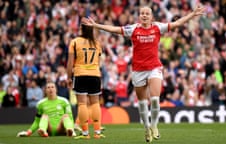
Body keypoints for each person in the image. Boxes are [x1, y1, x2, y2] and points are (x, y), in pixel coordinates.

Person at [82, 5, 205, 142]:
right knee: (142, 103)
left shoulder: (158, 27)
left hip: (154, 67)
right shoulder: (133, 29)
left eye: (147, 13)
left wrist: (192, 14)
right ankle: (146, 128)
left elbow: (177, 23)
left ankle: (154, 126)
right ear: (139, 16)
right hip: (138, 70)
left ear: (151, 16)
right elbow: (115, 29)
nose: (145, 15)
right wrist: (96, 25)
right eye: (142, 13)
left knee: (154, 99)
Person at [67, 24, 105, 139]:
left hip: (80, 74)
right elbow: (98, 62)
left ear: (82, 30)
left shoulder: (75, 42)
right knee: (95, 103)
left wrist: (69, 77)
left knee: (82, 103)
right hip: (95, 74)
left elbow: (70, 62)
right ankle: (97, 133)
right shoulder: (97, 43)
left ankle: (85, 134)